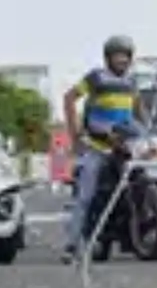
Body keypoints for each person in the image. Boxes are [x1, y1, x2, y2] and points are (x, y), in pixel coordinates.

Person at [60, 34, 148, 263]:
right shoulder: (96, 77)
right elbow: (69, 98)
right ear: (108, 57)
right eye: (118, 56)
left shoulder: (131, 82)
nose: (122, 61)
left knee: (139, 182)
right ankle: (71, 245)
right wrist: (74, 135)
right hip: (97, 145)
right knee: (86, 196)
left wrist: (148, 133)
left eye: (126, 56)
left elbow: (139, 110)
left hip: (123, 145)